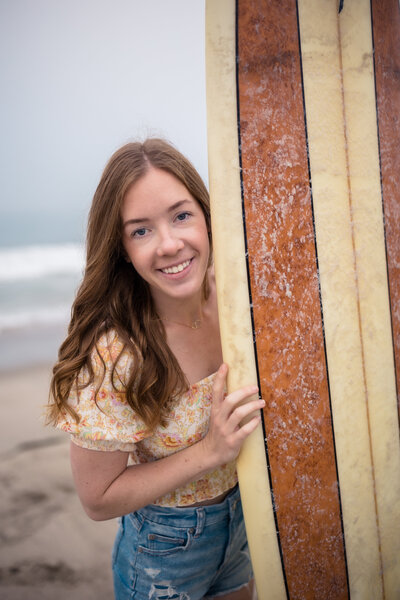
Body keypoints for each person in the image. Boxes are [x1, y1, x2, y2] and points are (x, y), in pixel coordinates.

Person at [47, 138, 264, 599]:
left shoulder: (240, 299)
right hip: (166, 550)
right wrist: (210, 451)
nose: (169, 244)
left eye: (181, 215)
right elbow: (98, 499)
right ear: (122, 248)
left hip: (249, 521)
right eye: (140, 230)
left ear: (207, 216)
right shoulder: (115, 352)